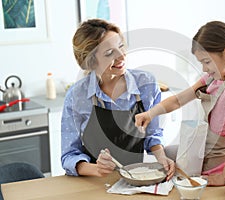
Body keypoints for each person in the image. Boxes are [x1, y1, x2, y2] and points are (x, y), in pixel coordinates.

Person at [135, 21, 225, 186]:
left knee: (181, 178)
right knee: (164, 156)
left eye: (207, 62)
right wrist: (150, 114)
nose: (203, 68)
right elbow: (178, 100)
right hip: (206, 148)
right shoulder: (213, 77)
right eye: (201, 62)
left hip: (223, 160)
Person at [61, 18, 175, 180]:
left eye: (121, 46)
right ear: (91, 61)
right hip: (92, 182)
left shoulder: (146, 85)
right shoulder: (76, 96)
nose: (121, 56)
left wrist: (162, 157)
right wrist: (96, 169)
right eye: (109, 53)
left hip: (134, 179)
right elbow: (69, 155)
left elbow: (152, 135)